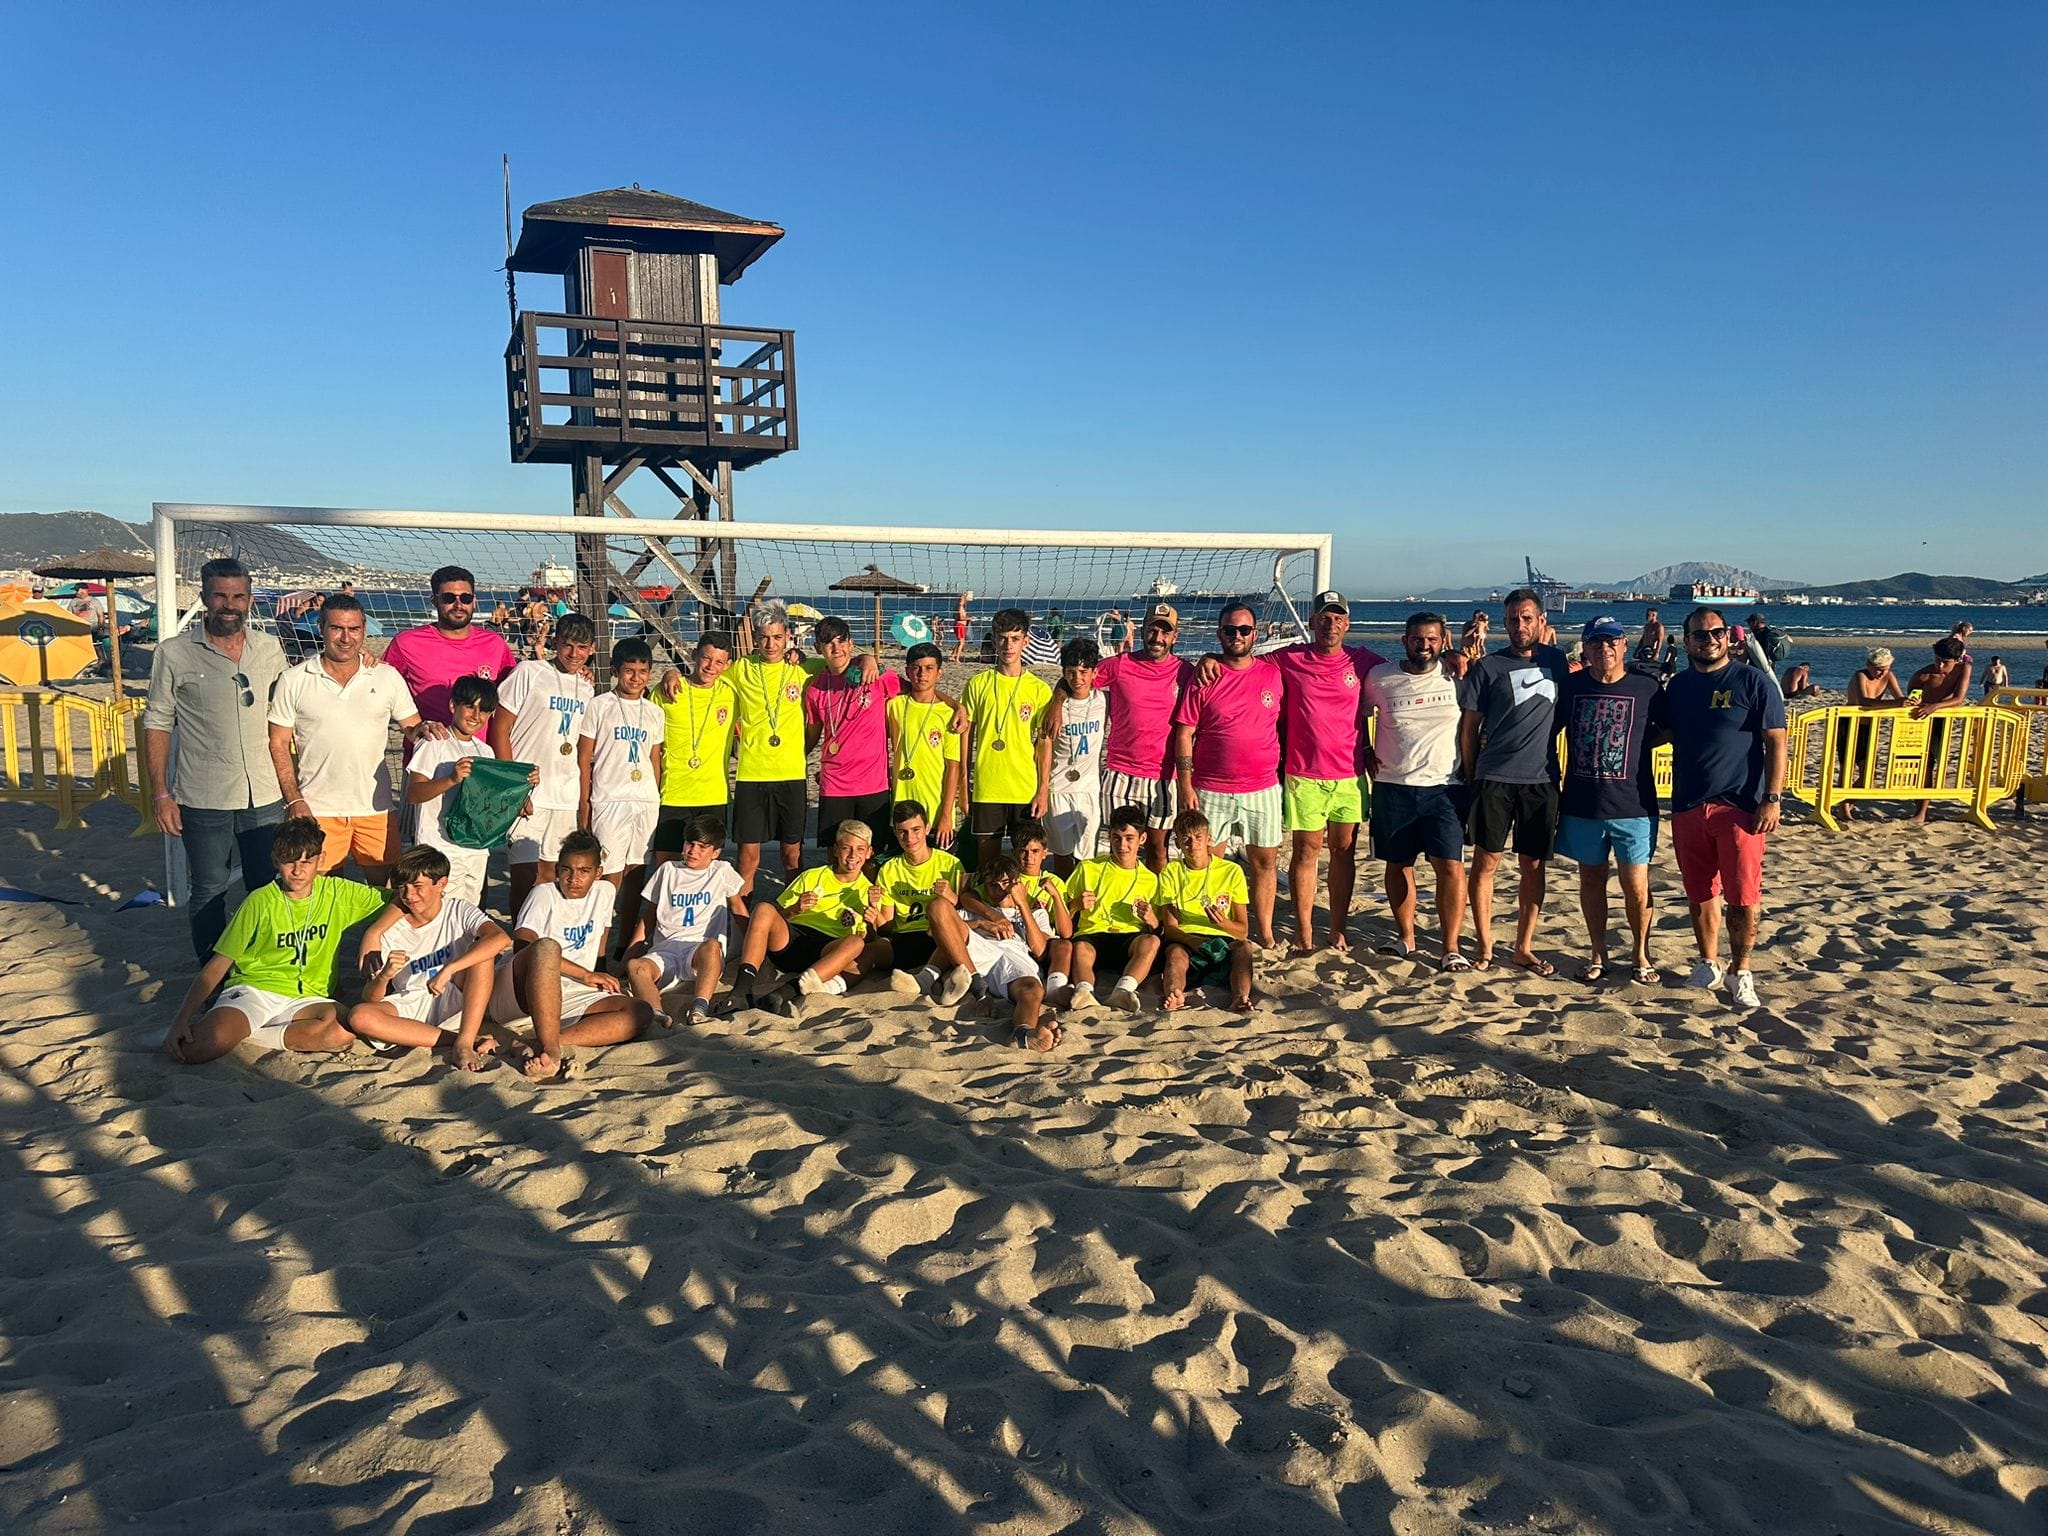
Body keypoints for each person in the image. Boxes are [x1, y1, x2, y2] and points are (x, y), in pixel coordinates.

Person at [143, 556, 290, 962]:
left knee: (267, 886)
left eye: (238, 596)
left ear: (250, 599)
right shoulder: (173, 654)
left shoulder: (270, 647)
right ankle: (213, 978)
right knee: (209, 890)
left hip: (263, 792)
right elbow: (157, 722)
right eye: (221, 596)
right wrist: (160, 794)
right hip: (203, 796)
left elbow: (292, 705)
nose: (230, 604)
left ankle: (262, 969)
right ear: (204, 597)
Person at [162, 816, 384, 1064]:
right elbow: (218, 964)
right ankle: (234, 1028)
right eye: (289, 862)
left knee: (342, 1032)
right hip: (256, 989)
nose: (297, 871)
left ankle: (249, 1034)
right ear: (276, 861)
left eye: (306, 861)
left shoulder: (337, 892)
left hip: (308, 997)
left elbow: (399, 900)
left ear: (320, 860)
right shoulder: (260, 900)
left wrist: (374, 933)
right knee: (197, 1050)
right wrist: (181, 1018)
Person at [1665, 608, 1788, 1010]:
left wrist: (1771, 797)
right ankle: (1708, 963)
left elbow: (1776, 742)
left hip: (1738, 805)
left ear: (1728, 638)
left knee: (1742, 895)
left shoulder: (1752, 681)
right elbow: (1661, 733)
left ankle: (1741, 971)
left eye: (1716, 633)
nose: (1709, 640)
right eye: (1699, 635)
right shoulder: (1678, 687)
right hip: (1687, 802)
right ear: (1686, 642)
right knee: (1699, 892)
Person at [267, 593, 431, 886]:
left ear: (364, 630)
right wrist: (294, 800)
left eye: (353, 629)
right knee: (323, 898)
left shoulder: (387, 676)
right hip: (318, 809)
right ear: (321, 627)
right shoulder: (294, 679)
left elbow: (411, 727)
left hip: (375, 808)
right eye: (336, 628)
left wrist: (424, 730)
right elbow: (277, 743)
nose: (346, 637)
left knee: (385, 894)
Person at [1458, 589, 1571, 974]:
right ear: (1503, 623)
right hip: (1494, 777)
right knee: (1485, 861)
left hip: (1540, 778)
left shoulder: (1558, 663)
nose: (1519, 626)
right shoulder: (1488, 667)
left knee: (1533, 866)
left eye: (1526, 618)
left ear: (1541, 621)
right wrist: (1473, 774)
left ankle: (1523, 947)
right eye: (1511, 619)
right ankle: (1485, 946)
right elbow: (1469, 727)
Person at [1267, 590, 1384, 953]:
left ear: (1347, 624)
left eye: (1337, 618)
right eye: (1323, 617)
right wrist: (1209, 658)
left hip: (1350, 774)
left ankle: (1337, 928)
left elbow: (1410, 672)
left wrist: (1456, 657)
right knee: (1305, 851)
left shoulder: (1363, 661)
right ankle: (1304, 932)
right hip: (1304, 775)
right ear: (1312, 621)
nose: (1330, 624)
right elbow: (1243, 665)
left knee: (1344, 851)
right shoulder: (1288, 659)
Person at [1555, 617, 1667, 985]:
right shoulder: (1570, 687)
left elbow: (1668, 730)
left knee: (1636, 886)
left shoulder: (1647, 688)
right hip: (1583, 803)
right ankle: (1598, 953)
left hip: (1634, 805)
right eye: (1597, 643)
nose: (1605, 649)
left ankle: (1641, 955)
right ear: (1585, 649)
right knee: (1591, 881)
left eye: (1612, 642)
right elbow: (1544, 729)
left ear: (1624, 645)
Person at [489, 829, 650, 1079]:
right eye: (566, 869)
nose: (573, 878)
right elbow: (525, 947)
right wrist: (585, 974)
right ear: (557, 870)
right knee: (547, 947)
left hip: (573, 991)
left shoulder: (605, 892)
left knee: (640, 1013)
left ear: (597, 873)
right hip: (523, 991)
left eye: (584, 871)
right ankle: (552, 1051)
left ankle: (548, 1041)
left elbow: (602, 932)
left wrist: (600, 970)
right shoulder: (543, 894)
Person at [1172, 601, 1285, 948]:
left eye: (1244, 630)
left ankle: (1263, 930)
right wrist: (1186, 784)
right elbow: (1184, 733)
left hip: (1263, 786)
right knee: (1211, 862)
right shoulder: (1204, 676)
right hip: (1211, 787)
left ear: (1255, 633)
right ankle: (1216, 926)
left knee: (1264, 862)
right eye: (1229, 630)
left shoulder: (1273, 673)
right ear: (1219, 633)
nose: (1237, 636)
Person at [1361, 613, 1470, 970]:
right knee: (1398, 865)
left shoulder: (1458, 677)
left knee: (1450, 867)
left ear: (1443, 641)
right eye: (1417, 639)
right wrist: (1364, 750)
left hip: (1445, 788)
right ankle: (1405, 937)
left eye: (1432, 639)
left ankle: (1450, 947)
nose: (1425, 645)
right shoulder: (1380, 677)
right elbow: (1357, 715)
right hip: (1394, 786)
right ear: (1404, 641)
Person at [347, 845, 512, 1069]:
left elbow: (500, 938)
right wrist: (384, 976)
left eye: (417, 886)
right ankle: (463, 1039)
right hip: (412, 1000)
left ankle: (463, 1042)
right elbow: (371, 997)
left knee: (482, 953)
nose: (409, 895)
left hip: (458, 992)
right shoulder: (390, 930)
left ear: (441, 884)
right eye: (403, 887)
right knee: (359, 1016)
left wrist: (450, 968)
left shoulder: (457, 910)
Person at [490, 612, 597, 916]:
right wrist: (513, 785)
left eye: (581, 647)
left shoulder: (587, 688)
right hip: (529, 790)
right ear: (555, 642)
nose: (574, 654)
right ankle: (520, 947)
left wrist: (582, 801)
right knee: (525, 877)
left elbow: (583, 748)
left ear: (591, 649)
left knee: (552, 876)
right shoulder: (530, 672)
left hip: (564, 793)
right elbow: (500, 728)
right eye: (567, 645)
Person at [731, 820, 890, 1017]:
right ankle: (741, 989)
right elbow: (773, 917)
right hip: (791, 940)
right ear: (835, 850)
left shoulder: (869, 891)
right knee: (763, 908)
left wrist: (871, 919)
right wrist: (795, 909)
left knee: (855, 943)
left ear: (868, 853)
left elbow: (868, 941)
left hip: (826, 951)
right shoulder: (812, 876)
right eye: (846, 848)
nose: (852, 855)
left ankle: (785, 992)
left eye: (859, 849)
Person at [406, 674, 530, 907]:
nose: (476, 715)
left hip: (475, 849)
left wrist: (523, 789)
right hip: (438, 848)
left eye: (483, 710)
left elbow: (490, 806)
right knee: (439, 916)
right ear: (453, 705)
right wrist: (451, 779)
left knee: (468, 916)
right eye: (470, 707)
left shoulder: (485, 752)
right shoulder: (433, 742)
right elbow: (414, 794)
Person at [727, 601, 824, 896]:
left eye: (777, 637)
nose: (771, 644)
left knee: (792, 855)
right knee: (747, 858)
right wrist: (669, 676)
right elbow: (702, 680)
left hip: (791, 775)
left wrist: (868, 662)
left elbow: (845, 664)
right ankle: (743, 924)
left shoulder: (804, 668)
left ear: (789, 637)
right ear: (755, 638)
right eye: (764, 637)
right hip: (751, 776)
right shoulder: (740, 669)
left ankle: (794, 920)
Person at [1092, 602, 1195, 870]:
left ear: (1175, 637)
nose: (1157, 638)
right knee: (1121, 850)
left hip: (1164, 776)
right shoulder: (1119, 665)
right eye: (1152, 630)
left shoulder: (1186, 672)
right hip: (1120, 773)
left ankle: (1157, 909)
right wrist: (1057, 701)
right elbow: (1077, 677)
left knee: (1158, 851)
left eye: (1165, 632)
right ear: (1141, 631)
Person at [578, 637, 664, 950]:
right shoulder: (600, 706)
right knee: (609, 876)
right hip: (609, 799)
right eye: (629, 671)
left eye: (643, 671)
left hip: (644, 801)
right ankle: (598, 948)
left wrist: (655, 795)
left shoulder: (654, 712)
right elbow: (583, 758)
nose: (636, 677)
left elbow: (654, 759)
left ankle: (625, 944)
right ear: (615, 670)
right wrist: (584, 805)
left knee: (635, 874)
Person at [623, 814, 747, 1029]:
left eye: (702, 847)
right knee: (636, 967)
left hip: (699, 952)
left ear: (715, 853)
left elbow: (738, 909)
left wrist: (754, 950)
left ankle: (699, 1007)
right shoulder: (668, 870)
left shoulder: (721, 871)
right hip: (665, 950)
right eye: (690, 843)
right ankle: (657, 1014)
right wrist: (627, 958)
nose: (693, 851)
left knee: (712, 947)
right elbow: (648, 918)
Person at [805, 616, 903, 857]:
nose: (836, 648)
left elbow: (921, 689)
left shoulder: (875, 676)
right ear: (819, 648)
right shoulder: (815, 689)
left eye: (841, 642)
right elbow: (811, 736)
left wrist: (956, 706)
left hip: (873, 783)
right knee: (835, 853)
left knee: (872, 853)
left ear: (851, 644)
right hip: (835, 784)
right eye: (828, 643)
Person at [962, 607, 1053, 863]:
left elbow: (1044, 743)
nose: (1008, 645)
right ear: (994, 639)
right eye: (1002, 637)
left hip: (1024, 788)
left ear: (1026, 641)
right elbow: (965, 738)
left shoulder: (1039, 689)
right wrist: (963, 786)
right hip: (987, 787)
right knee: (987, 863)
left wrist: (1043, 789)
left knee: (1027, 863)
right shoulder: (977, 684)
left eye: (1015, 638)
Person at [381, 564, 520, 727]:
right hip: (429, 748)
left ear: (474, 601)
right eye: (449, 598)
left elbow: (513, 697)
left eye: (466, 598)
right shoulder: (406, 643)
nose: (458, 605)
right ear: (434, 600)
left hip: (480, 750)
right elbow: (380, 685)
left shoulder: (495, 644)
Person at [872, 800, 975, 1004]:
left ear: (927, 828)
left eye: (916, 830)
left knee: (955, 939)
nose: (910, 838)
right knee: (869, 952)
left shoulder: (950, 863)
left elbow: (966, 911)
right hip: (905, 937)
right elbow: (888, 926)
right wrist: (874, 915)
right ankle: (831, 985)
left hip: (938, 937)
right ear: (895, 833)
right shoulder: (889, 869)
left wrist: (952, 897)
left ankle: (942, 981)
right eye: (903, 832)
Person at [1061, 805, 1162, 1010]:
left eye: (1129, 838)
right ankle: (1084, 991)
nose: (1122, 845)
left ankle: (1123, 991)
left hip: (1128, 939)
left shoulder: (1151, 879)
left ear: (1142, 839)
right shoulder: (1088, 868)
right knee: (1080, 947)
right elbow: (1061, 911)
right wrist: (1076, 905)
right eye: (1116, 838)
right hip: (1093, 934)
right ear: (1109, 837)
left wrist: (1152, 920)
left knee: (1151, 941)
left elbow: (1160, 927)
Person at [650, 632, 737, 866]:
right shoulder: (666, 691)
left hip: (713, 795)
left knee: (705, 868)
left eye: (719, 662)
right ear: (694, 655)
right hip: (673, 794)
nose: (711, 667)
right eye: (706, 658)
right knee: (666, 867)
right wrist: (671, 672)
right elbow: (649, 744)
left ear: (727, 665)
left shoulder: (731, 694)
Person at [1157, 807, 1255, 1012]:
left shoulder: (1231, 871)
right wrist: (1195, 942)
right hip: (1187, 938)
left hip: (1222, 938)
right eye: (1186, 839)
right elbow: (1171, 928)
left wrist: (1223, 923)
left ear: (1209, 839)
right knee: (1175, 953)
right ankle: (1174, 994)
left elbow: (1242, 930)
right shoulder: (1171, 872)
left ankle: (1240, 997)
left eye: (1198, 837)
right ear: (1178, 843)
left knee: (1244, 948)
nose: (1193, 845)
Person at [958, 853, 1059, 1050]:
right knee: (940, 909)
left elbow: (1039, 950)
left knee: (1032, 988)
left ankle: (1022, 1035)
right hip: (979, 954)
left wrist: (1022, 903)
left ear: (1016, 883)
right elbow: (937, 929)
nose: (1001, 890)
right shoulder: (977, 909)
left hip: (1014, 960)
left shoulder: (1035, 913)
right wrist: (980, 922)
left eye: (1005, 883)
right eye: (993, 886)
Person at [1034, 637, 1109, 874]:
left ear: (1094, 673)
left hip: (1089, 790)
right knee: (1062, 857)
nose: (1078, 678)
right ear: (1064, 673)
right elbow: (1043, 747)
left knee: (1087, 860)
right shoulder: (1053, 707)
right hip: (1059, 788)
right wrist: (1043, 789)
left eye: (1084, 671)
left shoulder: (1104, 701)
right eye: (1071, 672)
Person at [887, 642, 966, 850]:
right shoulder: (894, 705)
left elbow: (953, 768)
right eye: (916, 668)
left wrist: (947, 814)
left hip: (935, 807)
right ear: (907, 671)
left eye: (929, 668)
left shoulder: (948, 714)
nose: (922, 674)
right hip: (900, 801)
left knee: (940, 872)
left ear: (939, 673)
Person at [1906, 637, 1973, 823]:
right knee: (1921, 765)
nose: (1940, 665)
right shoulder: (1923, 675)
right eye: (1937, 659)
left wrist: (1934, 706)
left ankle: (1922, 810)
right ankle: (1919, 810)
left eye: (1945, 662)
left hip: (1940, 718)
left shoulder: (1963, 668)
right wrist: (1921, 704)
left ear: (1957, 660)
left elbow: (1959, 698)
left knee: (1931, 764)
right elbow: (1910, 696)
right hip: (1920, 720)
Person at [1836, 647, 1903, 820]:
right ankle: (1844, 810)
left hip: (1870, 726)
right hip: (1850, 722)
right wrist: (1896, 703)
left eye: (1884, 669)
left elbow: (1900, 698)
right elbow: (1864, 701)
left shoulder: (1888, 676)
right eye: (1877, 669)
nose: (1880, 673)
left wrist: (1908, 702)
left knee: (1868, 774)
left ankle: (1847, 802)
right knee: (1846, 768)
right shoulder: (1861, 675)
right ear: (1869, 665)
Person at [1631, 607, 1669, 679]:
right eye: (1647, 614)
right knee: (1641, 668)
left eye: (1648, 615)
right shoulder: (1647, 626)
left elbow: (1660, 640)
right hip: (1644, 650)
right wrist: (1637, 650)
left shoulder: (1659, 626)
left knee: (1651, 669)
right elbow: (1643, 639)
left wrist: (1657, 652)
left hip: (1652, 651)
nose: (1646, 616)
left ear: (1654, 615)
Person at [952, 590, 973, 664]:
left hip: (958, 624)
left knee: (960, 641)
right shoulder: (960, 607)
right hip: (960, 625)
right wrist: (968, 618)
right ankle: (957, 659)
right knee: (961, 642)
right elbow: (961, 617)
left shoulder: (957, 606)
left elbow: (955, 616)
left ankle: (952, 655)